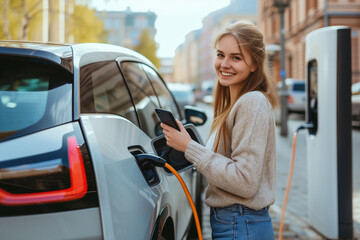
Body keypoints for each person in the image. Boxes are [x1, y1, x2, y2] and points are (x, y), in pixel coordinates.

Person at [161, 20, 278, 240]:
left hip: (240, 223)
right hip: (235, 222)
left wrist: (189, 148)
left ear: (254, 63)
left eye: (236, 57)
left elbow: (244, 181)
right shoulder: (233, 104)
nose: (224, 64)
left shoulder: (252, 102)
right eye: (220, 54)